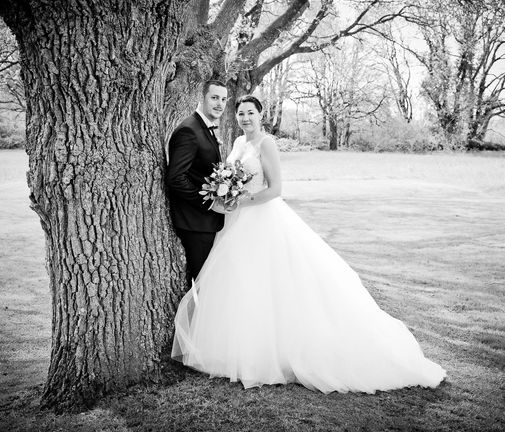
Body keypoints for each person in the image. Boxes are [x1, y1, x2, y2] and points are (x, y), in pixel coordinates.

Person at [171, 95, 446, 394]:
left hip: (260, 218)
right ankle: (236, 347)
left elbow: (275, 189)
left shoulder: (267, 144)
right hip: (234, 223)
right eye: (240, 113)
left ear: (261, 115)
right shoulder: (237, 144)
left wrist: (241, 201)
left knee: (272, 284)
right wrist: (227, 197)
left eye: (250, 113)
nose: (245, 118)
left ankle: (275, 352)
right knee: (241, 283)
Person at [167, 79, 228, 285]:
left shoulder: (203, 128)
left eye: (223, 99)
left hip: (205, 223)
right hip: (195, 224)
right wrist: (211, 203)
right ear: (201, 98)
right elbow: (176, 178)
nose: (219, 103)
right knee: (203, 285)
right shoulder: (189, 130)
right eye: (214, 98)